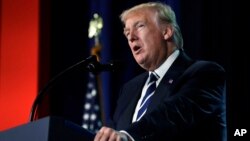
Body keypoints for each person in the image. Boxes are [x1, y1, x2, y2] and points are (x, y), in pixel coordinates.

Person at [94, 2, 226, 141]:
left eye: (139, 26)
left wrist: (129, 135)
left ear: (167, 31)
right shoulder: (129, 89)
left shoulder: (205, 73)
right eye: (127, 33)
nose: (131, 37)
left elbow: (174, 114)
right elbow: (112, 132)